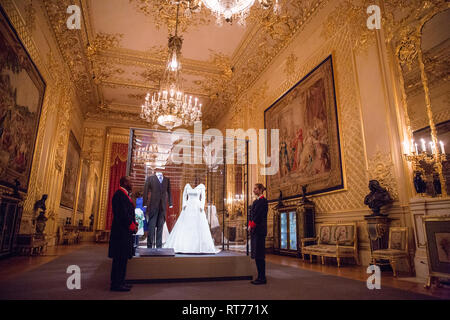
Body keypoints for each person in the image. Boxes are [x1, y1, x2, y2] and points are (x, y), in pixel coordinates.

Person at [163, 183, 218, 254]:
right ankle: (184, 246)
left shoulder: (201, 187)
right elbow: (184, 196)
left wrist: (201, 206)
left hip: (197, 207)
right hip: (188, 207)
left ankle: (199, 247)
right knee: (184, 226)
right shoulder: (187, 186)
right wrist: (184, 204)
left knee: (198, 226)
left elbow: (203, 197)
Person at [108, 176, 137, 292]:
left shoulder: (124, 195)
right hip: (120, 234)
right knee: (119, 259)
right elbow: (122, 215)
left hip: (124, 233)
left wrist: (134, 223)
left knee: (123, 258)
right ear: (125, 183)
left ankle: (121, 281)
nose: (132, 183)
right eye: (130, 181)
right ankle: (116, 284)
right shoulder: (119, 195)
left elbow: (128, 213)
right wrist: (132, 225)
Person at [248, 183, 269, 285]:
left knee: (260, 255)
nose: (253, 190)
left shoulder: (263, 201)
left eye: (255, 188)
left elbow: (259, 216)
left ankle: (262, 277)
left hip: (259, 231)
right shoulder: (256, 201)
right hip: (255, 230)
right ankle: (260, 275)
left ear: (260, 190)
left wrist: (252, 224)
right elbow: (251, 214)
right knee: (256, 254)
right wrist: (250, 224)